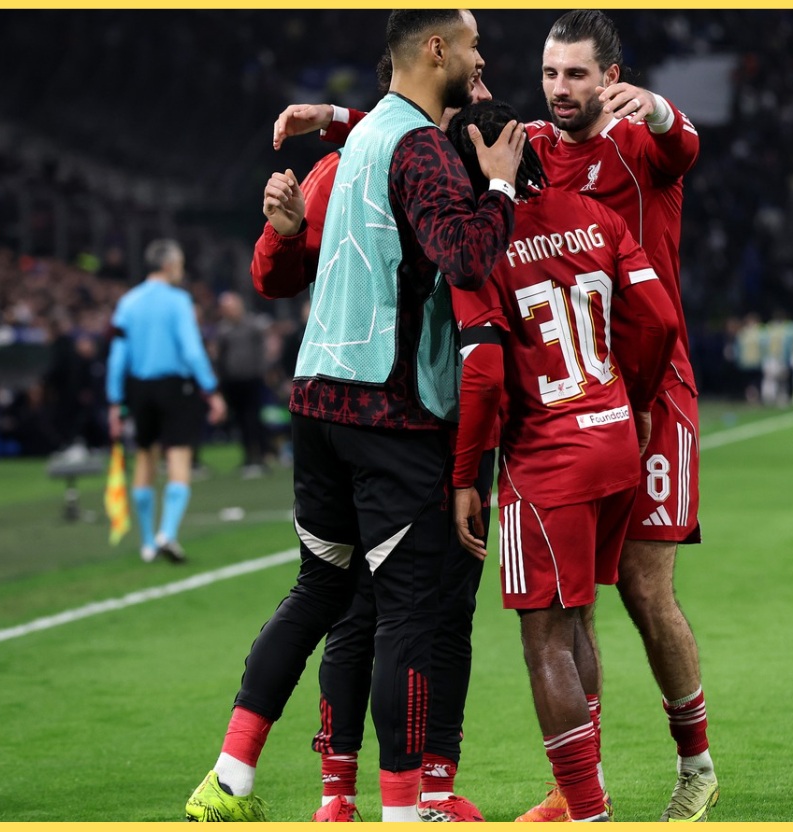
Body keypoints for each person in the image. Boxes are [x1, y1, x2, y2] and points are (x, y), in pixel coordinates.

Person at [274, 11, 718, 822]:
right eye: (549, 74)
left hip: (637, 404)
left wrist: (656, 110)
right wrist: (337, 119)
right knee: (573, 606)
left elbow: (684, 147)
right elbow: (449, 123)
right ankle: (577, 789)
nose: (558, 90)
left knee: (642, 595)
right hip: (612, 409)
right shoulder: (537, 155)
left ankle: (685, 768)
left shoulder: (635, 148)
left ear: (609, 78)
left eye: (577, 76)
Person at [184, 9, 522, 823]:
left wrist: (331, 117)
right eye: (473, 45)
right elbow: (469, 253)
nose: (481, 59)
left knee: (320, 591)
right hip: (387, 410)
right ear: (436, 50)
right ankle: (406, 812)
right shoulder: (418, 148)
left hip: (314, 402)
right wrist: (504, 186)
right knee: (408, 613)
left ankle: (229, 778)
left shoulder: (363, 142)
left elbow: (294, 251)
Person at [255, 57, 496, 823]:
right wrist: (285, 229)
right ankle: (388, 795)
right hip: (405, 418)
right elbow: (272, 271)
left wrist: (333, 117)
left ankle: (394, 789)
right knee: (395, 611)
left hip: (363, 408)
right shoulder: (374, 159)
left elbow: (407, 146)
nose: (485, 87)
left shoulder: (386, 150)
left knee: (392, 608)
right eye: (476, 71)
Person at [446, 100, 679, 824]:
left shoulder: (479, 247)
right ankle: (585, 797)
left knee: (543, 637)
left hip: (546, 460)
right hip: (614, 440)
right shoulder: (595, 215)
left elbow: (482, 373)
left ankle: (585, 810)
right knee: (577, 621)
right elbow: (662, 318)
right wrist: (636, 400)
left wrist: (465, 478)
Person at [105, 239, 226, 565]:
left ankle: (146, 543)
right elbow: (191, 350)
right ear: (171, 265)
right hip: (175, 388)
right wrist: (211, 390)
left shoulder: (127, 303)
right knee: (178, 457)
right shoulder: (178, 301)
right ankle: (167, 533)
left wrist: (115, 401)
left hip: (139, 388)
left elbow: (118, 356)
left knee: (144, 458)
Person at [212, 291, 273, 477]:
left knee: (254, 418)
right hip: (232, 381)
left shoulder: (252, 325)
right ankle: (248, 456)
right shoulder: (222, 330)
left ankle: (261, 455)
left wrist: (264, 370)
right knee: (240, 420)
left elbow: (263, 350)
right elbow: (219, 357)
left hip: (252, 379)